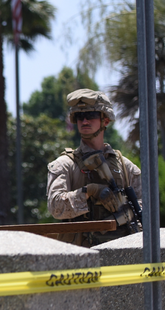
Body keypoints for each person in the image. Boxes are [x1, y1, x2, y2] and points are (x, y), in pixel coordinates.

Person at [47, 89, 142, 247]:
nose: (84, 121)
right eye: (79, 117)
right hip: (80, 256)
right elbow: (56, 207)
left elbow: (145, 204)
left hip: (121, 252)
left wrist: (122, 216)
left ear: (105, 120)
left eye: (90, 115)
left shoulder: (125, 166)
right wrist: (89, 191)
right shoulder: (65, 164)